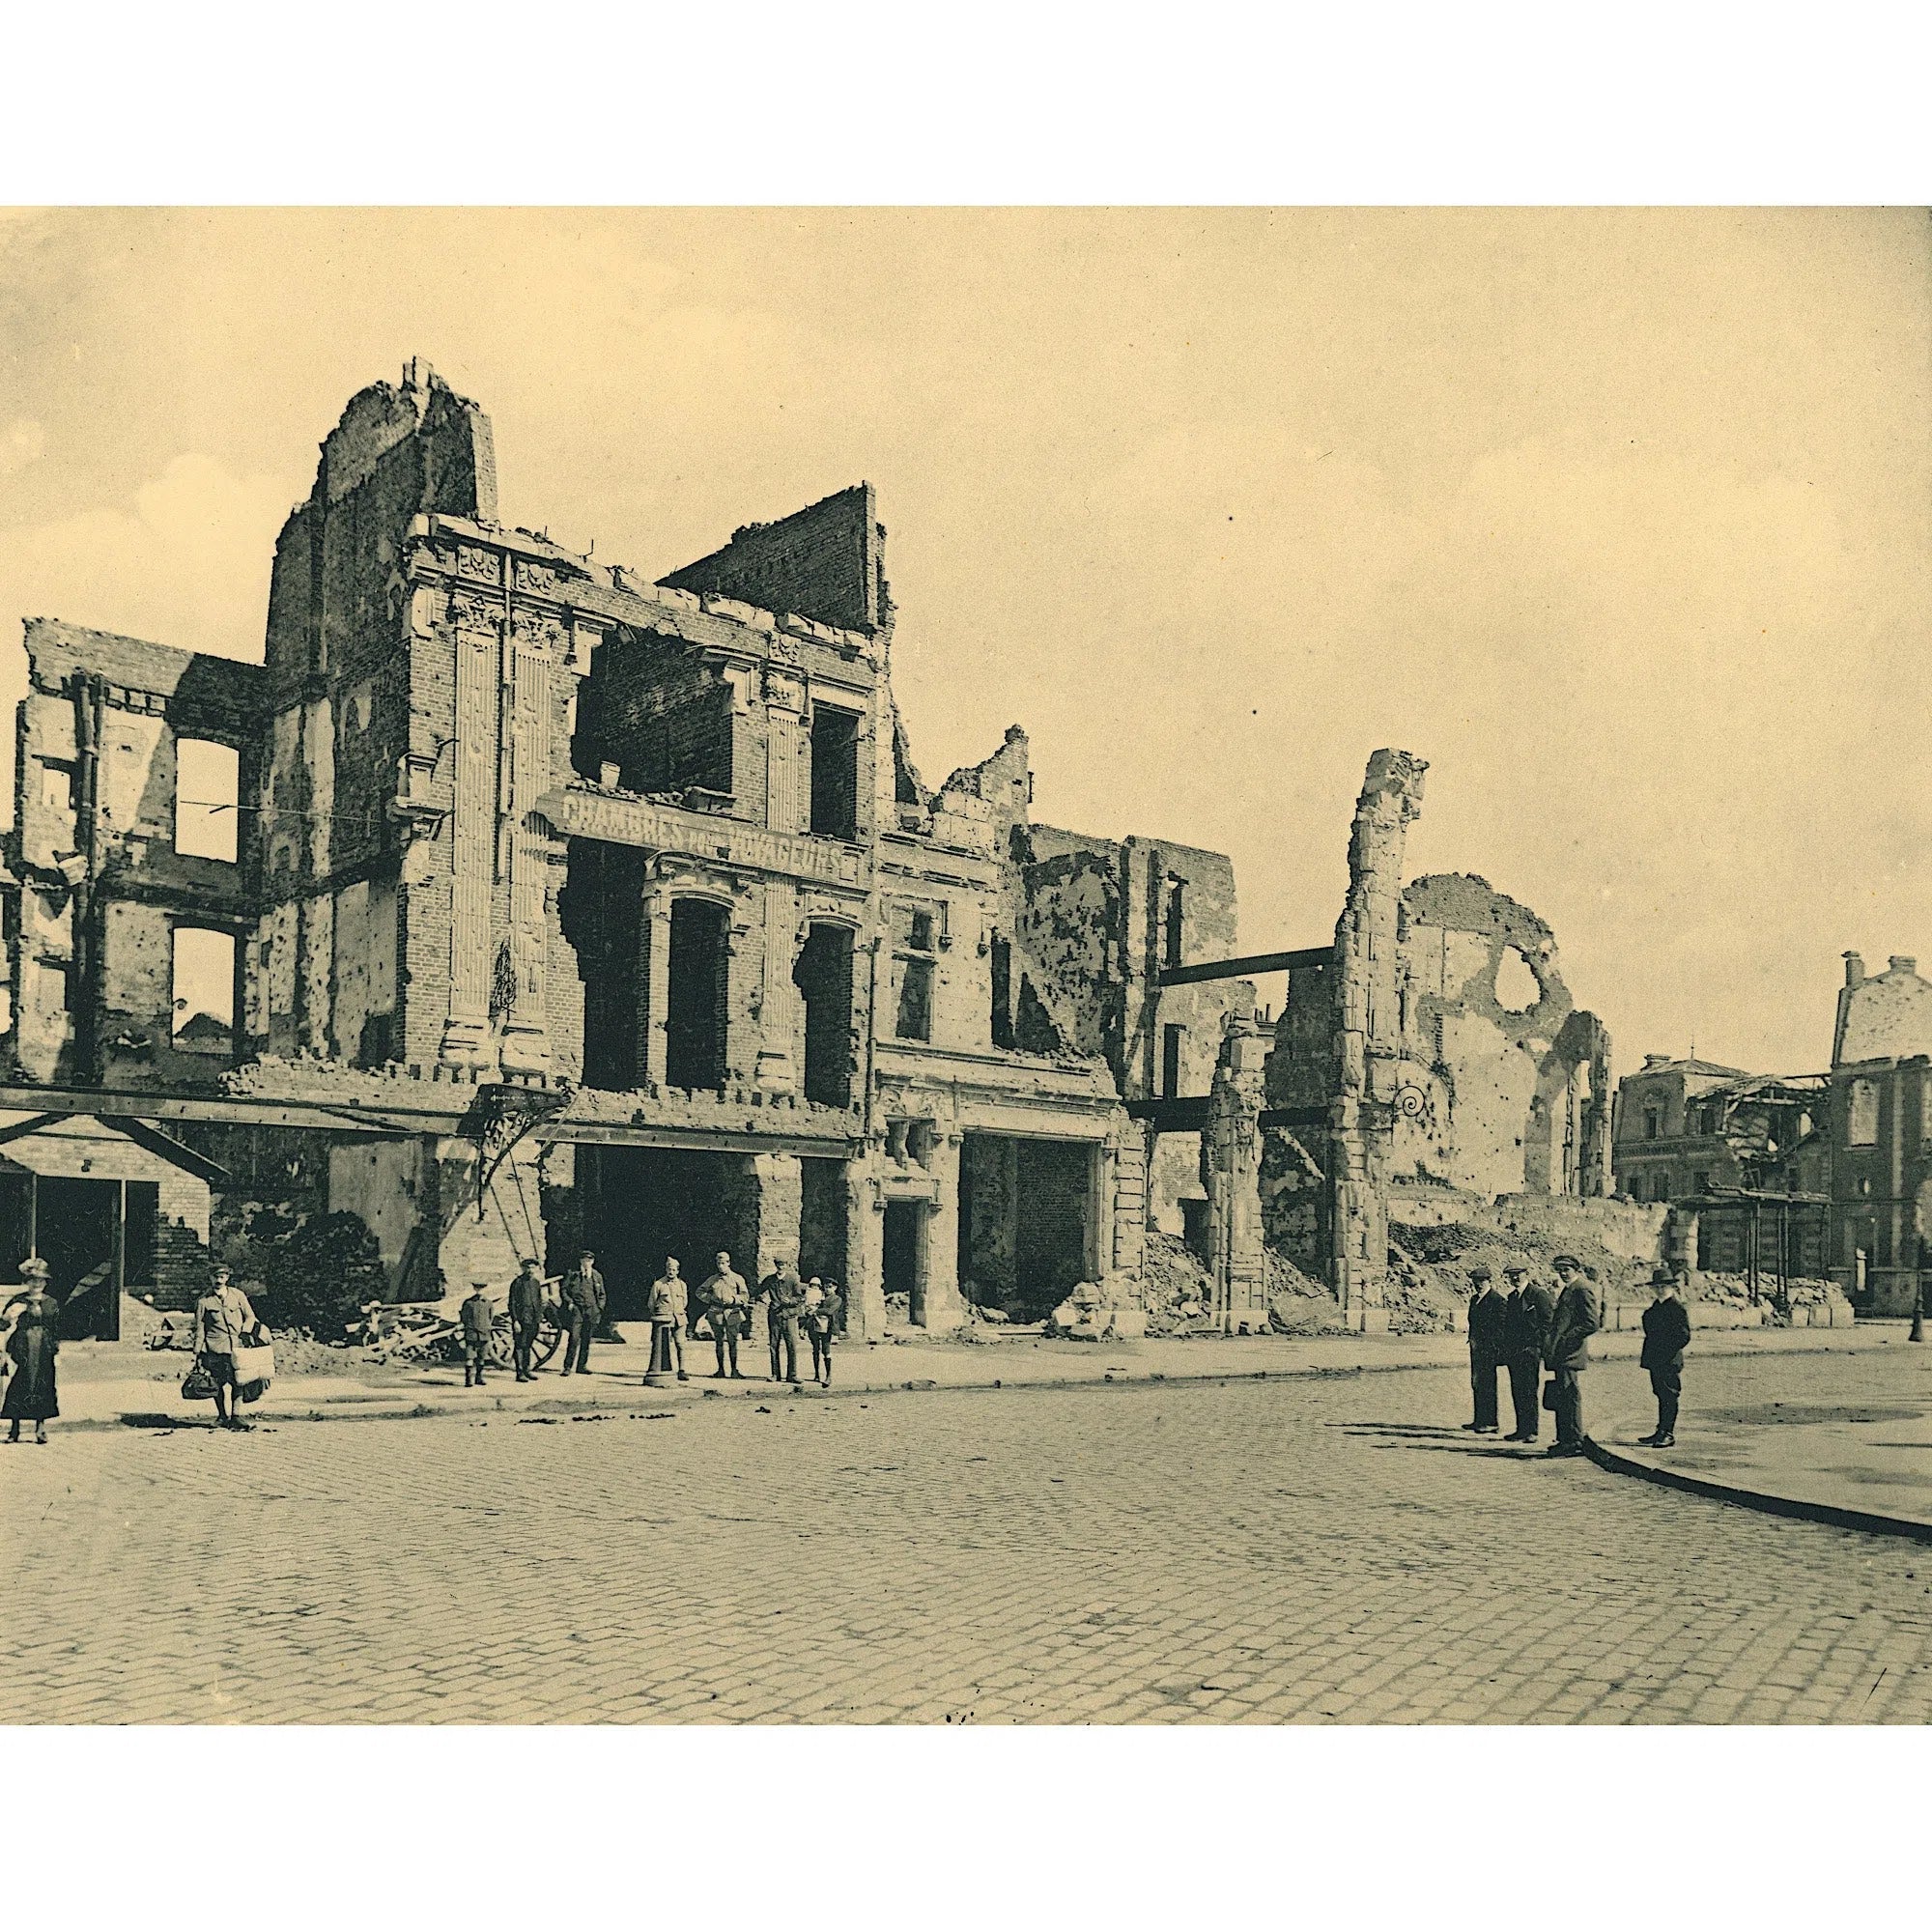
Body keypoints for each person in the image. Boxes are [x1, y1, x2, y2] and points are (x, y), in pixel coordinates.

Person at [1542, 1253, 1602, 1458]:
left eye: (1566, 1270)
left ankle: (1574, 1441)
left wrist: (1568, 1337)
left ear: (1577, 1270)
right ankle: (1565, 1439)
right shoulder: (1570, 1289)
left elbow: (1592, 1322)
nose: (1563, 1274)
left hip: (1571, 1353)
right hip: (1562, 1353)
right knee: (1562, 1396)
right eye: (1560, 1270)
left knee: (1569, 1396)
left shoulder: (1582, 1288)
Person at [194, 1264, 261, 1431]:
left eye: (222, 1277)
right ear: (210, 1278)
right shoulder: (204, 1301)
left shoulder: (238, 1296)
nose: (218, 1280)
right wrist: (198, 1352)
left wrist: (245, 1333)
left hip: (237, 1348)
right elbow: (200, 1328)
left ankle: (236, 1416)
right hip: (215, 1349)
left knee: (238, 1381)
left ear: (227, 1278)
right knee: (217, 1384)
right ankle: (222, 1416)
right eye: (215, 1277)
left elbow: (250, 1317)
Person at [3, 1259, 60, 1445]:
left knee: (43, 1385)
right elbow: (2, 1325)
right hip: (23, 1348)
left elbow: (56, 1328)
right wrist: (9, 1315)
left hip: (44, 1348)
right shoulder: (18, 1301)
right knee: (21, 1383)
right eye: (32, 1280)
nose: (36, 1284)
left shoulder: (51, 1303)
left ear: (45, 1283)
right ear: (26, 1281)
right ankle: (15, 1428)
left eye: (40, 1280)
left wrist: (57, 1351)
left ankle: (40, 1427)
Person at [1638, 1266, 1692, 1448]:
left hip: (1669, 1360)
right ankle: (1660, 1431)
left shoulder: (1677, 1309)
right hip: (1656, 1360)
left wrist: (1665, 1349)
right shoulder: (1654, 1308)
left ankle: (1668, 1433)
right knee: (1660, 1393)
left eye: (1664, 1286)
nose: (1661, 1290)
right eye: (1657, 1287)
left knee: (1669, 1395)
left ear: (1672, 1288)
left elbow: (1683, 1336)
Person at [1500, 1262, 1552, 1443]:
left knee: (1529, 1390)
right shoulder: (1512, 1297)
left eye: (1518, 1274)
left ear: (1526, 1273)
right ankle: (1521, 1429)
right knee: (1517, 1389)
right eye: (1511, 1275)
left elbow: (1547, 1323)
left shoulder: (1538, 1294)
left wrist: (1536, 1346)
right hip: (1514, 1351)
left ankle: (1532, 1430)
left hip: (1530, 1350)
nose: (1514, 1278)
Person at [1463, 1264, 1509, 1435]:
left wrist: (1493, 1347)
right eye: (1476, 1280)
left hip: (1489, 1350)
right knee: (1477, 1384)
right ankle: (1479, 1419)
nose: (1479, 1284)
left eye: (1482, 1280)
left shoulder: (1498, 1300)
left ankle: (1491, 1422)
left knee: (1488, 1384)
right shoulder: (1475, 1299)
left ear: (1490, 1281)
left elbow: (1501, 1327)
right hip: (1476, 1348)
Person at [699, 1251, 750, 1378]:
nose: (721, 1266)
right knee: (719, 1342)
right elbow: (699, 1292)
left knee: (733, 1343)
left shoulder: (737, 1278)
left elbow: (745, 1296)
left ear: (728, 1263)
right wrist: (711, 1298)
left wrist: (734, 1300)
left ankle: (734, 1370)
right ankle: (720, 1370)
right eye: (718, 1263)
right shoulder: (712, 1279)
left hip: (732, 1313)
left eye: (723, 1263)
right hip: (716, 1313)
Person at [757, 1257, 808, 1386]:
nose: (781, 1267)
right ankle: (775, 1374)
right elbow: (758, 1292)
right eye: (779, 1264)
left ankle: (792, 1374)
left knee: (791, 1345)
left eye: (783, 1264)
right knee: (774, 1345)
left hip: (789, 1317)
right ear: (775, 1265)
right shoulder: (770, 1280)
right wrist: (764, 1301)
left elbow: (800, 1297)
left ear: (787, 1265)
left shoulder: (793, 1279)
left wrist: (790, 1301)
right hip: (774, 1316)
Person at [559, 1250, 605, 1376]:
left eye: (589, 1261)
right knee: (574, 1338)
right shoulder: (573, 1275)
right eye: (584, 1260)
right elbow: (564, 1290)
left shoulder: (596, 1276)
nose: (587, 1263)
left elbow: (602, 1294)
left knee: (586, 1339)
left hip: (591, 1311)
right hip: (577, 1310)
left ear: (593, 1262)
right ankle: (567, 1367)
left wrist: (599, 1308)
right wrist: (570, 1302)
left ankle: (582, 1366)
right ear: (580, 1261)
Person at [646, 1259, 690, 1381]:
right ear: (666, 1269)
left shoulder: (682, 1284)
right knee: (663, 1345)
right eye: (669, 1269)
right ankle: (664, 1369)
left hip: (679, 1318)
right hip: (664, 1319)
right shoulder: (659, 1284)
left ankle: (682, 1370)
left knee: (681, 1344)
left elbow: (684, 1302)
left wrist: (678, 1311)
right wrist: (659, 1315)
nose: (671, 1272)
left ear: (678, 1271)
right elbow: (651, 1303)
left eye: (674, 1270)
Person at [508, 1257, 546, 1381]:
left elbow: (539, 1302)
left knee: (528, 1345)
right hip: (522, 1319)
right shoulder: (517, 1282)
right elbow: (512, 1303)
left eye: (533, 1267)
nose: (530, 1270)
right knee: (519, 1345)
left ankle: (527, 1370)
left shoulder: (536, 1283)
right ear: (523, 1269)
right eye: (528, 1268)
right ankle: (519, 1373)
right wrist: (515, 1321)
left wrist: (539, 1321)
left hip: (533, 1319)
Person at [805, 1277, 843, 1388]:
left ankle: (828, 1375)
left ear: (835, 1288)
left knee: (826, 1350)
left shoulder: (836, 1299)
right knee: (815, 1349)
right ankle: (816, 1374)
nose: (827, 1289)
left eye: (830, 1287)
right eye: (826, 1287)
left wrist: (816, 1310)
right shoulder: (819, 1296)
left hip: (828, 1327)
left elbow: (830, 1311)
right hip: (815, 1325)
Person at [460, 1280, 496, 1388]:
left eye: (482, 1288)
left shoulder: (488, 1303)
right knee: (469, 1357)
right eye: (478, 1288)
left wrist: (486, 1327)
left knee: (481, 1358)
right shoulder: (468, 1303)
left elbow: (491, 1317)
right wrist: (469, 1328)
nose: (480, 1291)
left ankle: (479, 1378)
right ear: (474, 1289)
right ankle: (468, 1379)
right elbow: (464, 1318)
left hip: (484, 1334)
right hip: (472, 1334)